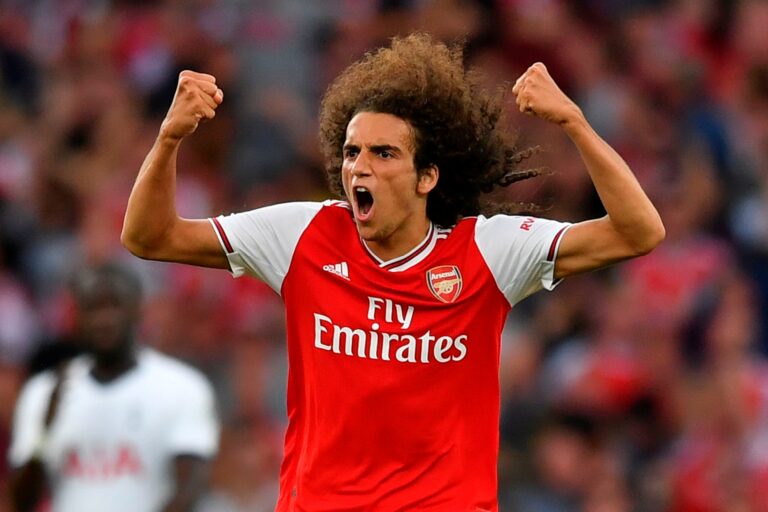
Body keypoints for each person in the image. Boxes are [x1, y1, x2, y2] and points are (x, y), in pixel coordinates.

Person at [121, 33, 664, 511]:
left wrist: (573, 122)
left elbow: (638, 232)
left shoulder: (488, 251)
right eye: (352, 151)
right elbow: (149, 237)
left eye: (383, 153)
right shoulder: (302, 235)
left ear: (427, 176)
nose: (360, 166)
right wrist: (169, 138)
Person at [8, 263, 220, 512]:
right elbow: (21, 503)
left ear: (138, 310)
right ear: (77, 317)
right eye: (93, 308)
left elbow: (190, 489)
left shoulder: (182, 387)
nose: (104, 320)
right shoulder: (45, 391)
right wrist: (43, 436)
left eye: (114, 305)